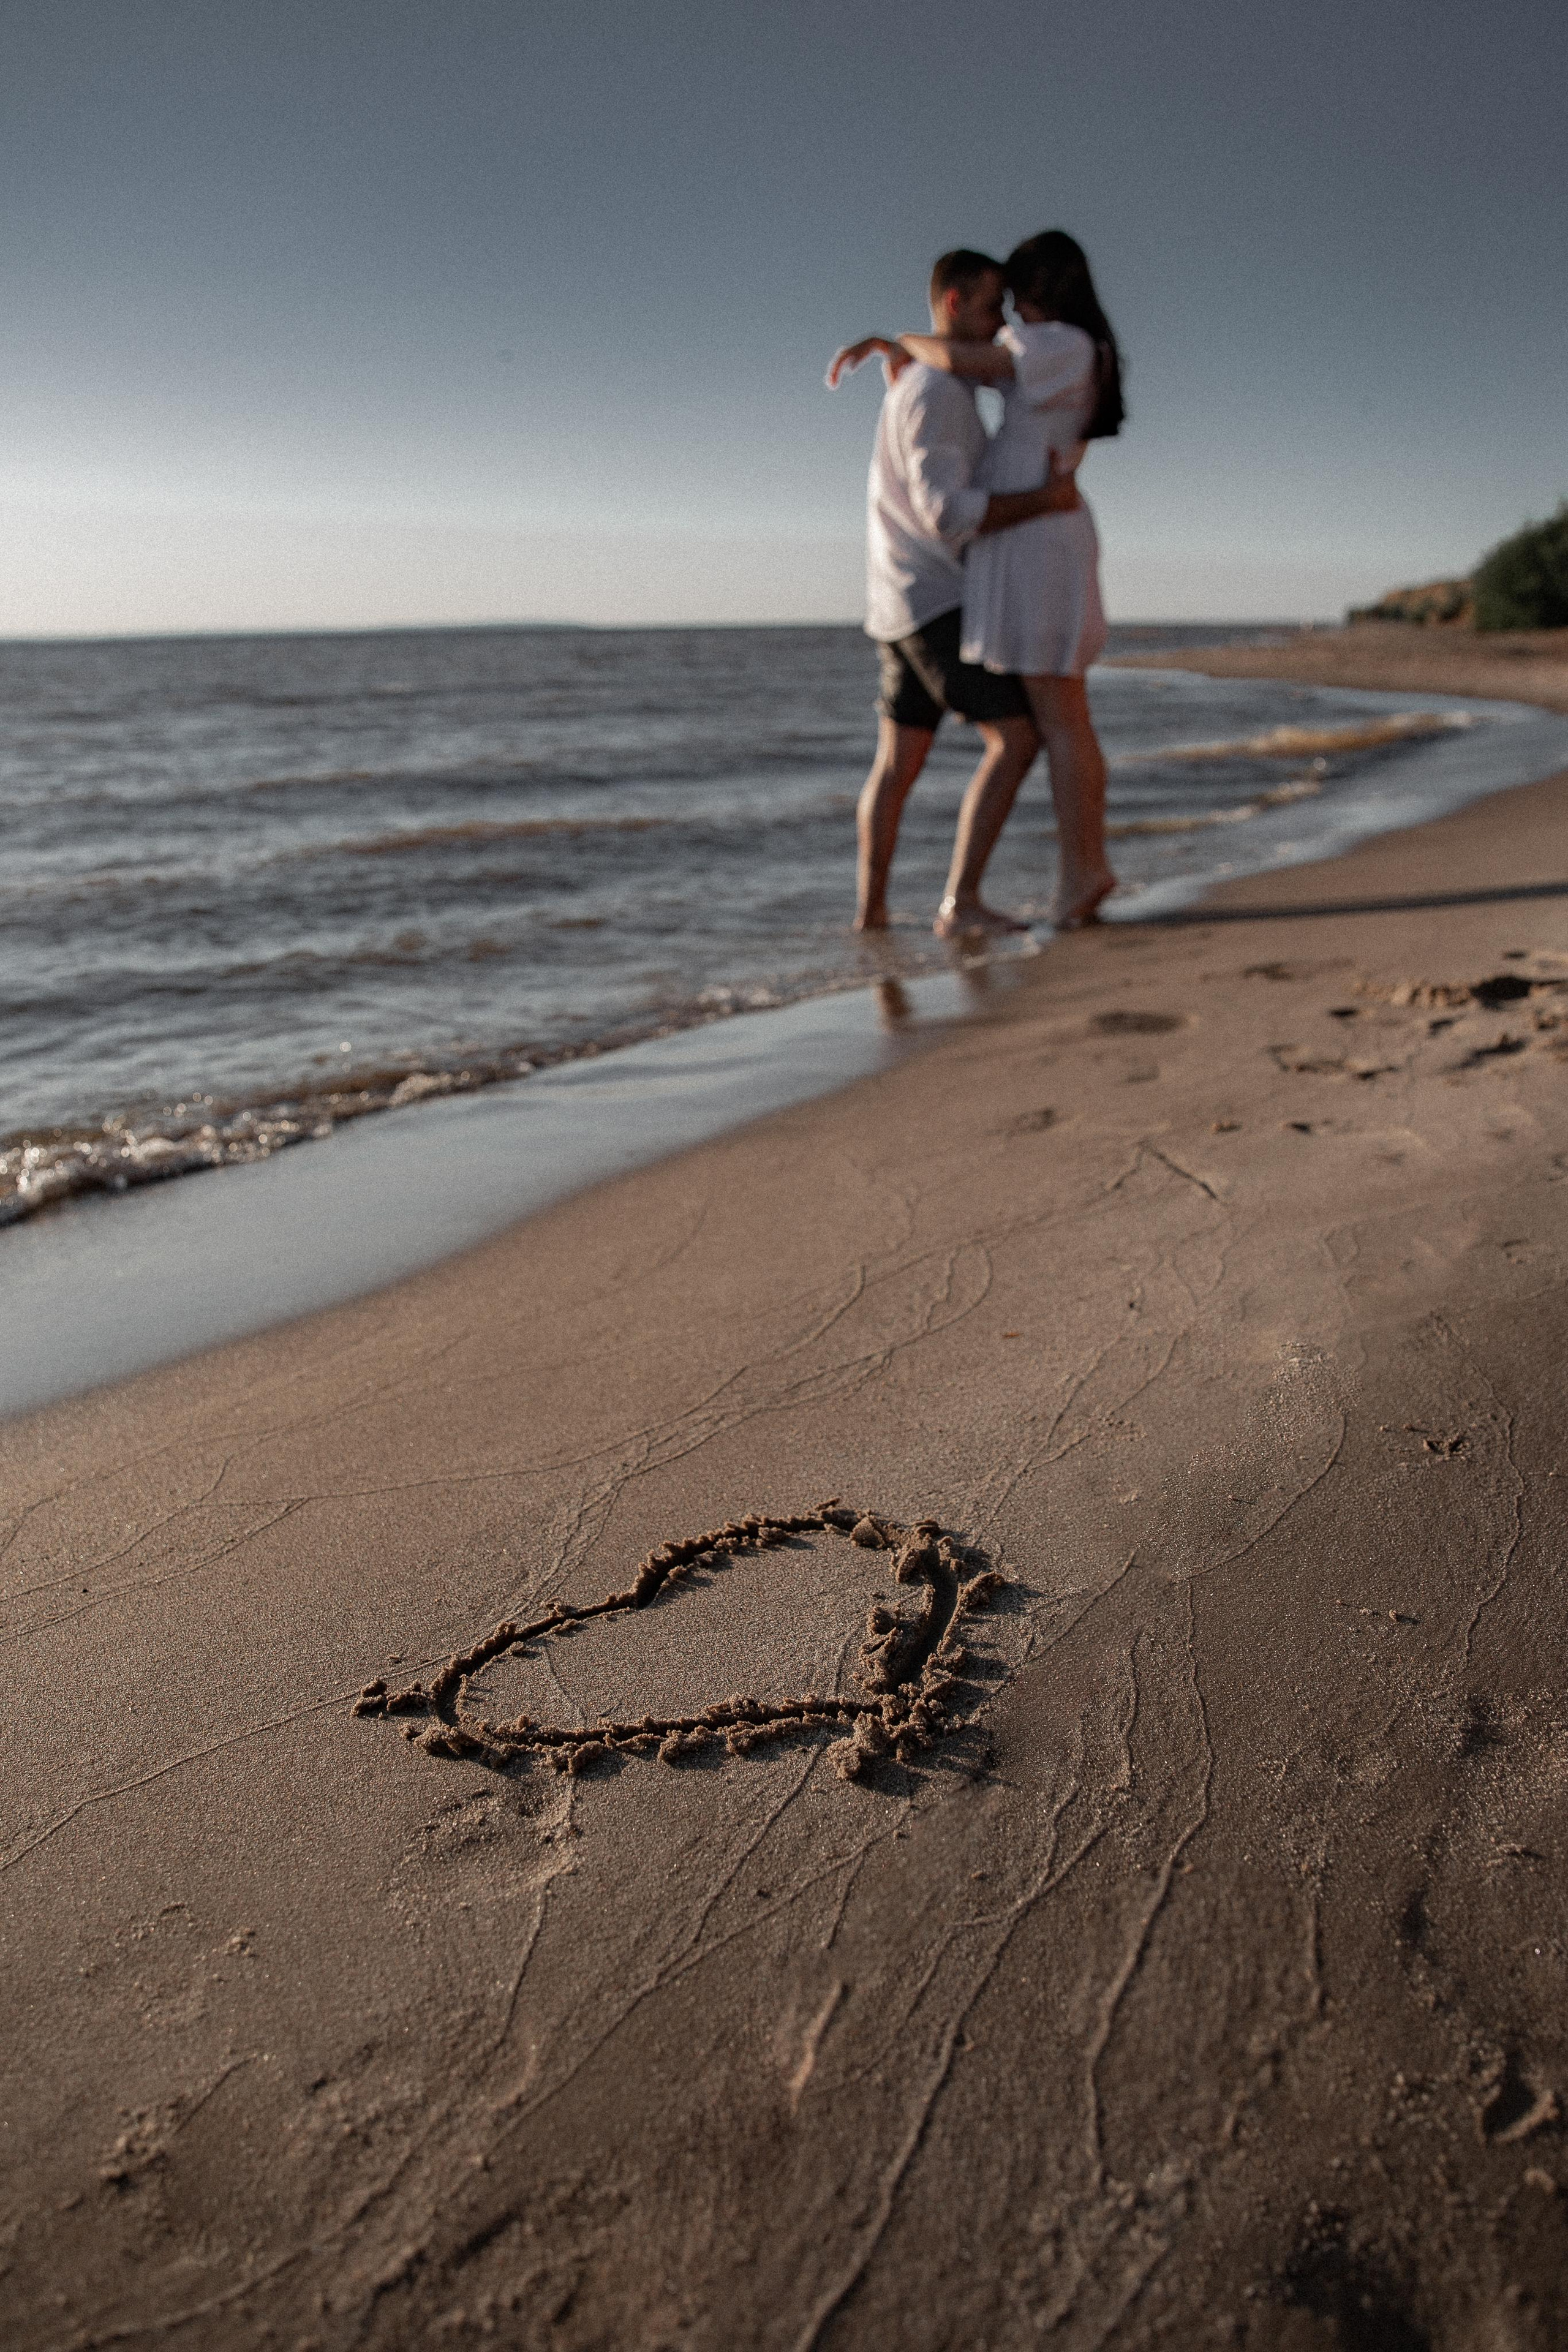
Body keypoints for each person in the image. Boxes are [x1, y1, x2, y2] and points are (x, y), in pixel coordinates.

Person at [840, 231, 1125, 930]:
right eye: (993, 306)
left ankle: (885, 915)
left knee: (1022, 730)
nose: (1003, 322)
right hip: (938, 591)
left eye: (1012, 304)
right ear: (957, 300)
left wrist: (897, 346)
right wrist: (1042, 500)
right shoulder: (941, 390)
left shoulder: (971, 372)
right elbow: (946, 512)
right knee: (1031, 731)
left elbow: (977, 363)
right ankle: (960, 901)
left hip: (908, 594)